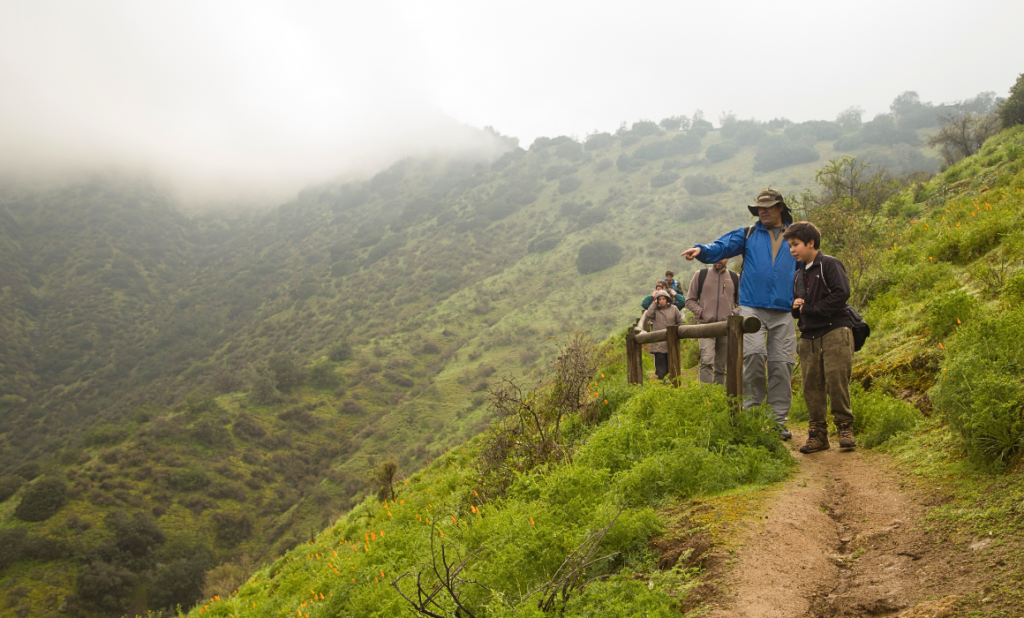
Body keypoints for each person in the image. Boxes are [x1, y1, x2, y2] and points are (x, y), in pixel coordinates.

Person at [681, 189, 797, 440]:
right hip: (751, 307)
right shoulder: (748, 234)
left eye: (768, 207)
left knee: (782, 365)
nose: (762, 211)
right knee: (754, 355)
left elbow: (807, 264)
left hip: (784, 310)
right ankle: (753, 416)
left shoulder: (794, 235)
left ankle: (777, 421)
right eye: (758, 208)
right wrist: (702, 251)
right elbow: (722, 245)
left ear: (781, 208)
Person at [784, 221, 857, 453]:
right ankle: (818, 435)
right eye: (789, 246)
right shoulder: (798, 274)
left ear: (811, 242)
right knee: (811, 386)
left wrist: (809, 309)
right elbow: (799, 308)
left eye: (795, 244)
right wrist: (795, 307)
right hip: (809, 336)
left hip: (835, 330)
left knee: (837, 381)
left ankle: (845, 428)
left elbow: (842, 294)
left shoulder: (829, 264)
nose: (792, 250)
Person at [684, 258, 739, 386]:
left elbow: (742, 303)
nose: (718, 259)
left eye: (722, 256)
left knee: (721, 365)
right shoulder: (701, 275)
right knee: (707, 361)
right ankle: (706, 397)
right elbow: (689, 300)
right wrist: (701, 313)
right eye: (716, 255)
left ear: (728, 258)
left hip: (726, 328)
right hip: (705, 327)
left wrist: (732, 314)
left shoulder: (735, 278)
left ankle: (718, 397)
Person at [637, 290, 684, 380]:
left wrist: (679, 334)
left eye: (663, 299)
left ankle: (672, 385)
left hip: (671, 343)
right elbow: (648, 314)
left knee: (671, 365)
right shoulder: (655, 310)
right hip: (658, 343)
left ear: (667, 299)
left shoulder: (674, 309)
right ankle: (662, 381)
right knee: (661, 366)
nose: (662, 301)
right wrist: (654, 302)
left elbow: (681, 322)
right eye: (660, 299)